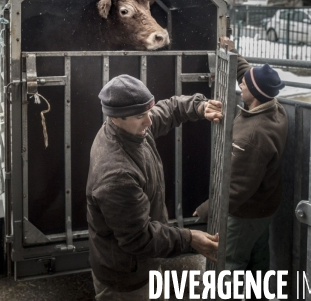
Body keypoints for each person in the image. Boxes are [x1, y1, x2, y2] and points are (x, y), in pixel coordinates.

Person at [86, 74, 221, 300]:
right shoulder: (117, 174)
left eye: (147, 112)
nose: (149, 122)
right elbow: (138, 238)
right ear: (116, 118)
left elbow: (166, 110)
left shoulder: (131, 129)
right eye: (141, 116)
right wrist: (189, 238)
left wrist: (199, 106)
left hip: (142, 264)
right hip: (126, 280)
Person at [195, 37, 288, 300]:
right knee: (258, 262)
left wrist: (206, 210)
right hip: (265, 207)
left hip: (245, 212)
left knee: (230, 265)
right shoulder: (275, 109)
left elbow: (237, 188)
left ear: (254, 94)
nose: (240, 84)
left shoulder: (253, 136)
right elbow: (250, 76)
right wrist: (234, 54)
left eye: (243, 85)